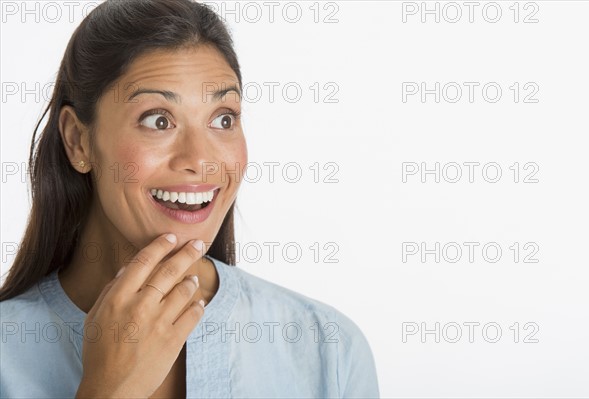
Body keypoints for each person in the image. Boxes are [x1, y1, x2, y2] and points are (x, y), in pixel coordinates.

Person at [0, 0, 380, 397]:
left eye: (223, 119)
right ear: (79, 140)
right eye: (158, 120)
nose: (200, 160)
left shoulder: (330, 351)